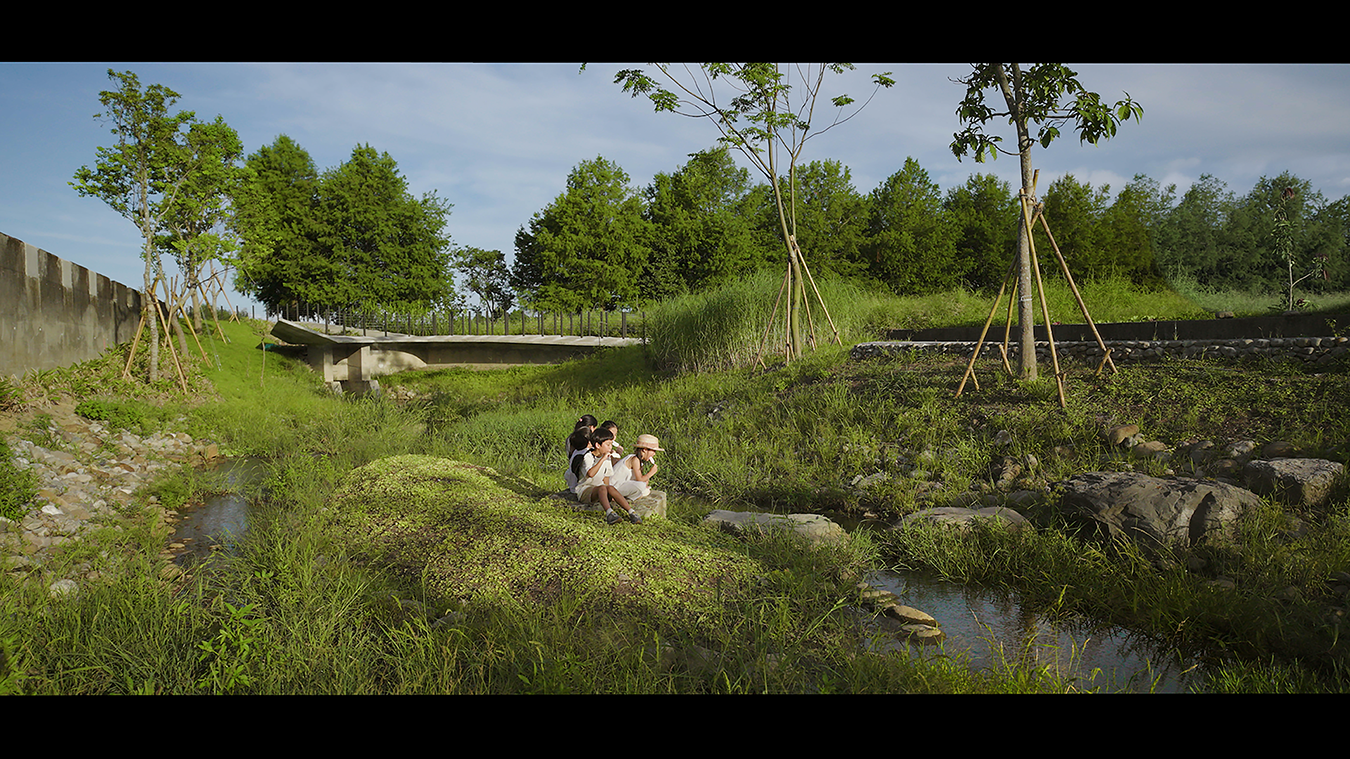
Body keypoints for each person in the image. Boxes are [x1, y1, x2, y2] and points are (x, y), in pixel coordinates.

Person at [572, 427, 641, 525]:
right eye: (608, 445)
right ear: (598, 445)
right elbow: (590, 474)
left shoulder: (607, 458)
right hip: (585, 490)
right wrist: (603, 459)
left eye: (611, 444)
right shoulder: (588, 457)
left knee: (609, 488)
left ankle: (631, 512)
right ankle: (609, 513)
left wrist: (610, 494)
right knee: (602, 488)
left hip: (600, 490)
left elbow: (606, 477)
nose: (610, 448)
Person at [610, 434, 662, 500]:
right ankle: (616, 496)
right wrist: (651, 472)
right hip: (614, 487)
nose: (654, 454)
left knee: (644, 488)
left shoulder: (638, 461)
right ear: (645, 450)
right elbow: (639, 479)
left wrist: (645, 481)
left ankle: (625, 495)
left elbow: (639, 479)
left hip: (620, 485)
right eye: (653, 451)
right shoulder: (635, 459)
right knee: (641, 487)